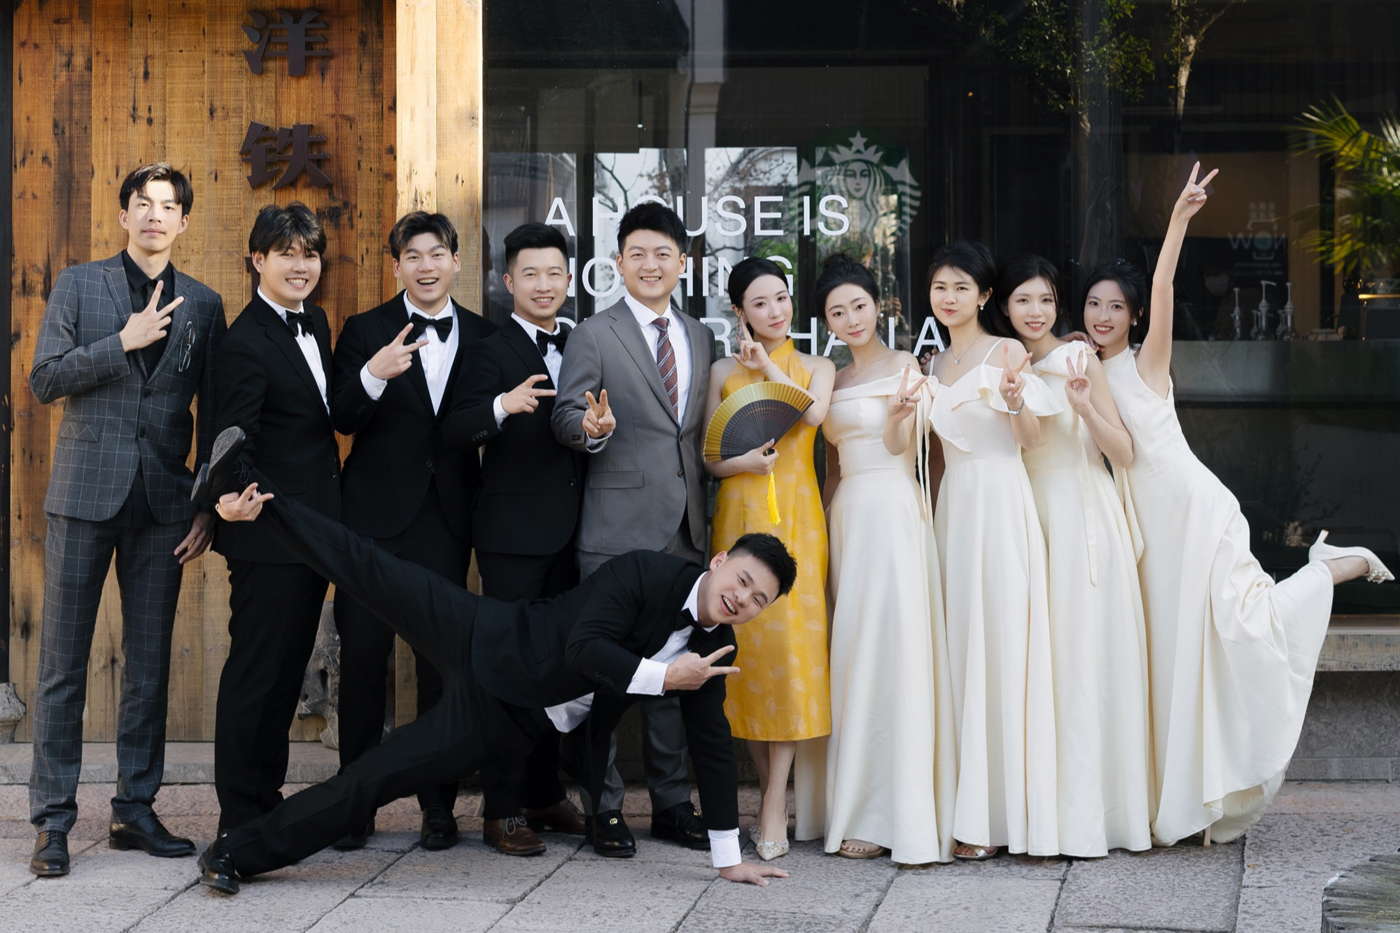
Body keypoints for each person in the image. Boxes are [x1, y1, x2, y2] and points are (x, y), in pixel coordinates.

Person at [189, 428, 793, 893]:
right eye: (743, 581)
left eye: (757, 601)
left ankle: (235, 853)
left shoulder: (714, 649)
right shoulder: (646, 572)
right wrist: (666, 677)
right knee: (366, 565)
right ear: (719, 562)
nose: (742, 599)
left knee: (372, 780)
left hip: (507, 711)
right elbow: (586, 648)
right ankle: (243, 482)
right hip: (489, 630)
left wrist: (728, 859)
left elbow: (712, 745)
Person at [1092, 164, 1392, 846]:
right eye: (1094, 305)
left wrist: (1179, 219)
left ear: (1133, 316)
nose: (1102, 316)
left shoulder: (1145, 363)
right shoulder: (1089, 371)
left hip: (1196, 511)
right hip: (1151, 530)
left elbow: (1164, 286)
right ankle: (1190, 801)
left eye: (1115, 307)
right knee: (1183, 659)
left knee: (1243, 629)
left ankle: (1330, 569)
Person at [27, 162, 227, 877]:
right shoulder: (79, 285)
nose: (154, 216)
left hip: (163, 507)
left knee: (147, 668)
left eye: (168, 206)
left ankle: (133, 809)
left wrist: (205, 503)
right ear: (124, 216)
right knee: (62, 665)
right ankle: (52, 820)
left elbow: (216, 411)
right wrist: (123, 341)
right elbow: (44, 378)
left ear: (183, 222)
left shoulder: (204, 304)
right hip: (84, 499)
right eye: (142, 204)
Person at [328, 211, 496, 851]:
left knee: (440, 669)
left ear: (456, 261)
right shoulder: (364, 329)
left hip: (446, 521)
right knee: (363, 664)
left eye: (437, 254)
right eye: (413, 256)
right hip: (371, 522)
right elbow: (341, 417)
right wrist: (374, 374)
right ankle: (354, 804)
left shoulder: (484, 334)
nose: (426, 267)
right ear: (396, 266)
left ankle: (438, 807)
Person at [551, 203, 716, 855]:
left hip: (685, 531)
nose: (651, 265)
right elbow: (567, 413)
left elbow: (691, 435)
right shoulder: (595, 334)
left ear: (683, 262)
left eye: (663, 253)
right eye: (638, 254)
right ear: (617, 263)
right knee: (607, 676)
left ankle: (672, 803)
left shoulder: (700, 335)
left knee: (673, 672)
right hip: (615, 532)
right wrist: (588, 429)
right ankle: (605, 807)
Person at [995, 255, 1153, 857]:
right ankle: (1042, 812)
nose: (1035, 312)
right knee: (1043, 669)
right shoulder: (1005, 365)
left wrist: (1085, 407)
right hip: (1027, 517)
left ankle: (1093, 816)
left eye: (1045, 299)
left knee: (1083, 663)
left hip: (1082, 515)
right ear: (1004, 307)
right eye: (1022, 300)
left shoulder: (1078, 359)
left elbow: (1125, 451)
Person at [443, 222, 588, 855]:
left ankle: (544, 793)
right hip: (511, 538)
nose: (544, 284)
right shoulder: (489, 347)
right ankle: (500, 808)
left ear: (569, 279)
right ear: (508, 282)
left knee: (559, 664)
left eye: (554, 272)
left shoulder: (583, 342)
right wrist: (501, 407)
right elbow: (455, 431)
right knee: (507, 668)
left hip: (575, 533)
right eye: (530, 273)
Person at [818, 254, 956, 864]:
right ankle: (855, 802)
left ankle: (897, 812)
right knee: (853, 653)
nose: (851, 319)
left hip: (897, 513)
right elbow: (830, 467)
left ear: (880, 306)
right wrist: (820, 529)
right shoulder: (831, 379)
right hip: (849, 517)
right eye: (837, 312)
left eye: (859, 305)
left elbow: (927, 452)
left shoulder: (907, 366)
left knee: (895, 652)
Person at [926, 239, 1060, 860]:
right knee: (959, 652)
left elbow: (1031, 439)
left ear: (984, 296)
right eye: (940, 288)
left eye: (962, 288)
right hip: (953, 510)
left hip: (1002, 502)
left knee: (1003, 648)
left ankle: (1004, 817)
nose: (949, 298)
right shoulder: (931, 365)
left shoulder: (1006, 351)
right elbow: (933, 456)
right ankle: (964, 810)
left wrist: (1014, 400)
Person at [210, 203, 342, 835]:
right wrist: (232, 501)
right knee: (256, 675)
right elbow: (234, 441)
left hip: (310, 535)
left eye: (309, 254)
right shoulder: (244, 342)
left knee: (286, 675)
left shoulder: (315, 320)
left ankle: (265, 799)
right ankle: (238, 816)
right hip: (266, 535)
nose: (300, 265)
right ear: (257, 260)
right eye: (286, 254)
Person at [701, 258, 835, 860]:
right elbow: (709, 457)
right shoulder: (720, 371)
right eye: (760, 302)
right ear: (740, 312)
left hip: (799, 522)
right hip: (739, 516)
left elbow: (813, 414)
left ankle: (776, 800)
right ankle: (764, 791)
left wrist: (768, 371)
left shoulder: (816, 366)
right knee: (749, 659)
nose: (775, 310)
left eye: (781, 297)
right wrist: (743, 463)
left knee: (790, 656)